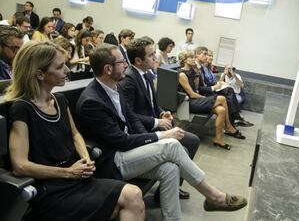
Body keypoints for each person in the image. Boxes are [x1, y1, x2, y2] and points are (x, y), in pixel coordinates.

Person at [76, 44, 248, 220]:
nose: (126, 65)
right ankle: (214, 197)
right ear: (108, 69)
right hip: (112, 160)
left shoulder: (114, 86)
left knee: (170, 168)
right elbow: (121, 141)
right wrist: (161, 136)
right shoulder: (92, 101)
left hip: (126, 151)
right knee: (171, 145)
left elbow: (132, 119)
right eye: (122, 62)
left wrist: (155, 135)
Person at [5, 41, 144, 221]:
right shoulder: (22, 109)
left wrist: (85, 158)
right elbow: (20, 165)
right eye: (61, 67)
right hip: (52, 189)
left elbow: (75, 134)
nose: (68, 71)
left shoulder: (60, 100)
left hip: (76, 179)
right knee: (130, 198)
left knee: (131, 198)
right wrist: (69, 172)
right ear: (40, 74)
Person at [118, 38, 200, 199]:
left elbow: (153, 105)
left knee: (193, 141)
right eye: (151, 55)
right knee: (183, 145)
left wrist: (162, 113)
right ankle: (168, 191)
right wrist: (157, 122)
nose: (155, 57)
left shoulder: (146, 75)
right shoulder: (129, 79)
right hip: (142, 129)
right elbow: (129, 115)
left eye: (154, 53)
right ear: (138, 60)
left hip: (153, 124)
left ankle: (170, 188)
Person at [178, 50, 245, 150]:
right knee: (221, 98)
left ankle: (218, 138)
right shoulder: (182, 74)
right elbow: (191, 94)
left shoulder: (192, 71)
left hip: (196, 99)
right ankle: (228, 126)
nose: (193, 59)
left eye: (193, 57)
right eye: (191, 57)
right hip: (190, 102)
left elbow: (196, 88)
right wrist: (206, 99)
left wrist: (196, 74)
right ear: (184, 60)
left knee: (221, 110)